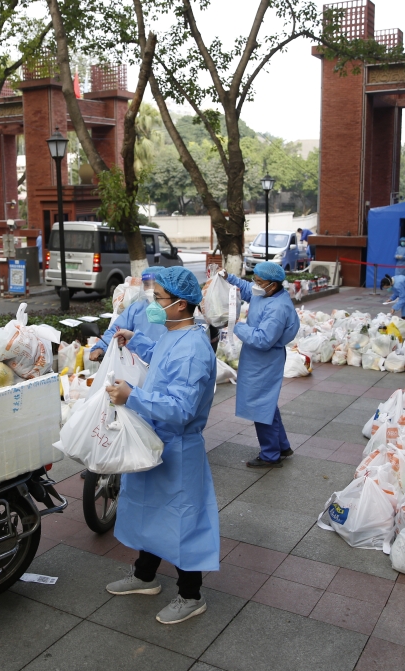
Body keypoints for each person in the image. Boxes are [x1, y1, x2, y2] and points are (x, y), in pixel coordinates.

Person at [102, 266, 219, 625]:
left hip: (178, 448)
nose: (154, 304)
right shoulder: (176, 333)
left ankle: (190, 594)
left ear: (181, 305)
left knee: (183, 520)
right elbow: (161, 355)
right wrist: (134, 339)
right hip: (156, 441)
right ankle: (144, 575)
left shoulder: (194, 351)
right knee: (149, 511)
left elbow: (181, 409)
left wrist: (131, 397)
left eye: (161, 299)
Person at [225, 261, 300, 468]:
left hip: (265, 359)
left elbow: (263, 339)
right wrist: (228, 277)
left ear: (273, 285)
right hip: (256, 358)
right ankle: (282, 446)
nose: (255, 285)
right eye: (254, 280)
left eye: (259, 282)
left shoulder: (278, 307)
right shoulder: (265, 293)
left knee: (261, 405)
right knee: (266, 404)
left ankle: (270, 455)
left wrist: (236, 327)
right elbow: (249, 290)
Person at [88, 266, 166, 362]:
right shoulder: (136, 309)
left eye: (154, 284)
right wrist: (100, 348)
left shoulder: (172, 310)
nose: (150, 288)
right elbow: (115, 331)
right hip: (136, 365)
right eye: (146, 284)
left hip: (164, 362)